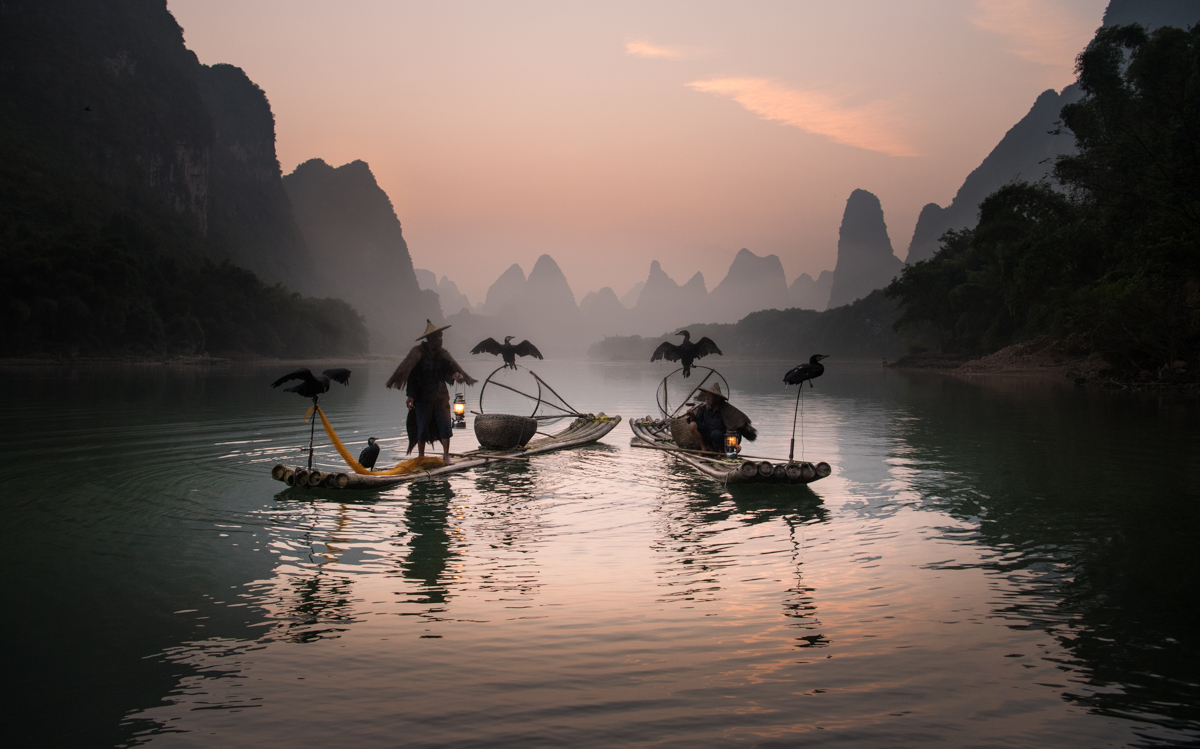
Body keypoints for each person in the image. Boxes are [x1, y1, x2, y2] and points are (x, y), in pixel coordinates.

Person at [386, 320, 477, 462]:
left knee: (445, 425)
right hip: (423, 396)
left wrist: (454, 375)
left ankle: (446, 455)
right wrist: (410, 395)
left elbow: (447, 371)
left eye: (441, 336)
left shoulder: (442, 354)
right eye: (438, 337)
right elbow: (412, 376)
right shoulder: (417, 353)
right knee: (422, 426)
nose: (441, 339)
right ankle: (421, 456)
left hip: (441, 395)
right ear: (431, 338)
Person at [685, 382, 757, 454]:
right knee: (692, 425)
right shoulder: (703, 409)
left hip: (721, 437)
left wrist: (735, 443)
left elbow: (735, 428)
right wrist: (692, 416)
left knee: (716, 434)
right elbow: (698, 422)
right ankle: (703, 448)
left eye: (710, 396)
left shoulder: (726, 410)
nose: (707, 398)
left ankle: (721, 451)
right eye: (706, 396)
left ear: (716, 398)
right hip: (708, 435)